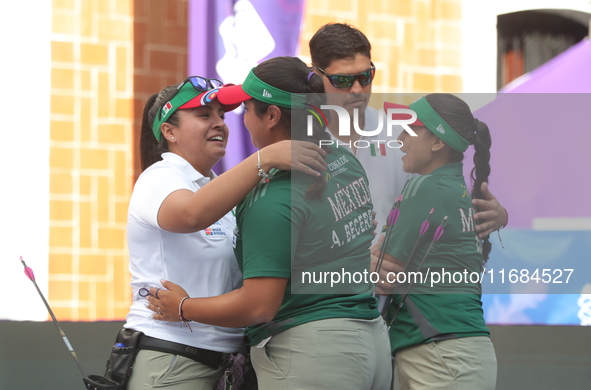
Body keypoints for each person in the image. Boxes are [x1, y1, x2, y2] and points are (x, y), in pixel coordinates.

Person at [146, 57, 392, 389]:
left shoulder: (272, 193)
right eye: (206, 115)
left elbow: (259, 305)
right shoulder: (344, 158)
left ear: (272, 116)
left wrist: (184, 307)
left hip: (313, 350)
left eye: (245, 109)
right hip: (371, 339)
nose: (236, 121)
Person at [122, 76, 326, 389]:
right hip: (171, 361)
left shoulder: (218, 188)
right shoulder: (160, 176)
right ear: (169, 131)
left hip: (226, 364)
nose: (219, 123)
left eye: (222, 115)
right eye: (205, 115)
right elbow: (190, 214)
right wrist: (265, 157)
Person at [308, 22, 507, 250]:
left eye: (365, 77)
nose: (357, 89)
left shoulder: (401, 131)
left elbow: (445, 207)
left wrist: (498, 216)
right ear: (316, 77)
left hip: (399, 280)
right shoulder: (299, 142)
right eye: (342, 80)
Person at [378, 94, 498, 389]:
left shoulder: (425, 187)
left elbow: (383, 277)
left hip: (441, 352)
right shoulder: (455, 190)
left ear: (437, 142)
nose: (400, 140)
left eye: (409, 130)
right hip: (451, 351)